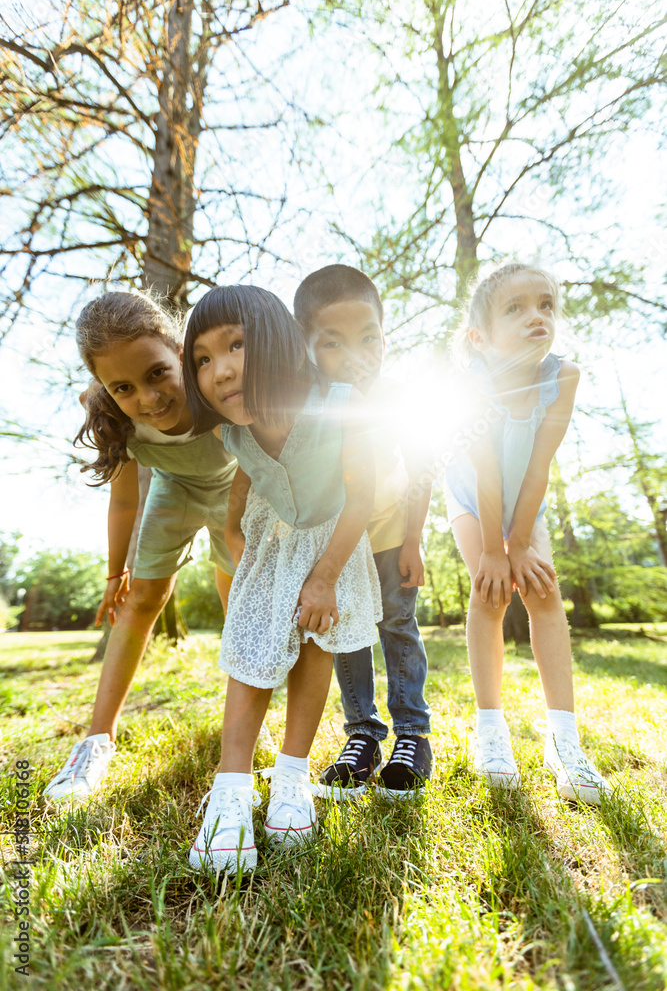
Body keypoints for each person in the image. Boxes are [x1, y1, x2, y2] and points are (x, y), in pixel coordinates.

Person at [182, 284, 382, 874]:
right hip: (271, 540)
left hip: (333, 538)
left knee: (315, 645)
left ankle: (292, 775)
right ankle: (232, 789)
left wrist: (324, 577)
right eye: (203, 359)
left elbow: (363, 496)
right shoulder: (230, 428)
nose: (219, 370)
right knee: (251, 651)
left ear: (276, 340)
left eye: (235, 345)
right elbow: (247, 472)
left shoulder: (341, 402)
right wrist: (233, 526)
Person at [43, 291, 237, 804]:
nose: (149, 398)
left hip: (238, 492)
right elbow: (125, 503)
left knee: (236, 600)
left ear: (178, 348)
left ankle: (240, 724)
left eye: (156, 373)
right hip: (174, 491)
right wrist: (115, 574)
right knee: (141, 600)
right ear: (106, 389)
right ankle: (96, 741)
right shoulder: (115, 418)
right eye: (124, 386)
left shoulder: (215, 384)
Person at [444, 262, 610, 804]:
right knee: (490, 593)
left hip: (524, 499)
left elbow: (538, 467)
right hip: (473, 494)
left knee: (544, 589)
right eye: (514, 308)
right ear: (480, 338)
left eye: (545, 304)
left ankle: (565, 742)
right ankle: (490, 731)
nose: (536, 316)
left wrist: (520, 540)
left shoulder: (563, 377)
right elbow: (486, 471)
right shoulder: (469, 385)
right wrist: (496, 549)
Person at [293, 265, 434, 799]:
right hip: (339, 541)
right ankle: (363, 735)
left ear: (384, 336)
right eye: (334, 343)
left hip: (393, 530)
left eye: (368, 338)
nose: (356, 355)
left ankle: (412, 735)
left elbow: (421, 468)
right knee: (347, 634)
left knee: (398, 625)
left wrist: (415, 540)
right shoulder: (311, 406)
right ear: (307, 348)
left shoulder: (397, 396)